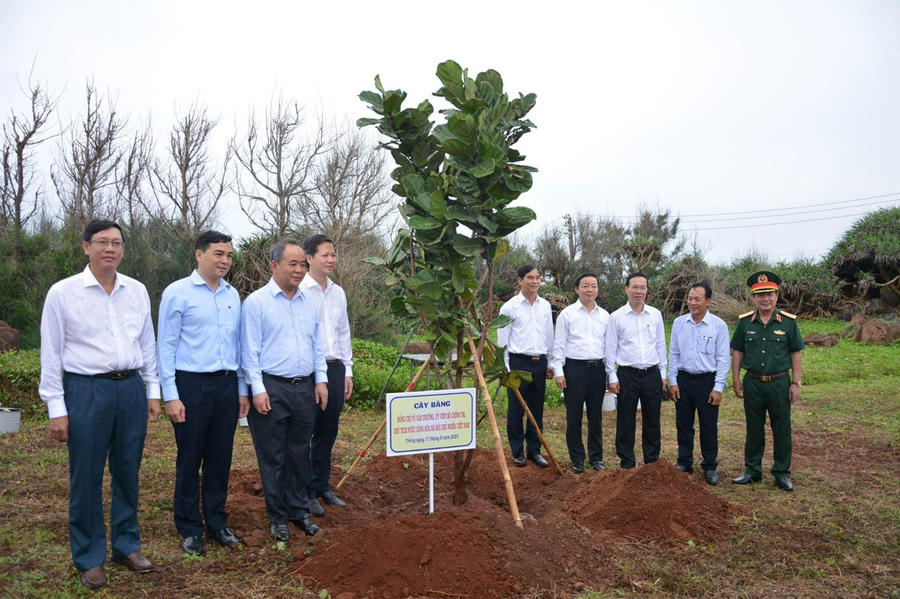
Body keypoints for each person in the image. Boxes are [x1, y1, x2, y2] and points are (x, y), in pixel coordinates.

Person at [39, 219, 160, 589]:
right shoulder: (63, 293)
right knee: (87, 476)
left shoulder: (136, 291)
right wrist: (56, 408)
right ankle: (90, 556)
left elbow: (147, 344)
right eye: (102, 242)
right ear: (85, 247)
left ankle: (126, 545)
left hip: (129, 390)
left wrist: (152, 390)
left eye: (117, 243)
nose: (111, 248)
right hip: (86, 391)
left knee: (127, 471)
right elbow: (52, 352)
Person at [157, 230, 250, 555]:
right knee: (190, 456)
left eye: (228, 255)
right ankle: (189, 526)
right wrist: (171, 394)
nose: (225, 260)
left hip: (226, 385)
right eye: (218, 254)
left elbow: (238, 346)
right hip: (190, 385)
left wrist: (241, 390)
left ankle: (216, 521)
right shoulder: (178, 293)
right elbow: (165, 347)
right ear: (199, 255)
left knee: (220, 456)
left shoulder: (232, 295)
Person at [241, 239, 328, 542]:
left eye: (303, 264)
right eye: (292, 264)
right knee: (273, 456)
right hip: (271, 388)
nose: (299, 269)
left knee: (298, 453)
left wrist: (321, 379)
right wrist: (258, 389)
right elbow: (249, 352)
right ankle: (277, 516)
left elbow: (317, 345)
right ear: (274, 265)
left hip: (303, 389)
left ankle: (298, 510)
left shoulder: (307, 302)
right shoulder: (256, 303)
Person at [730, 271, 804, 491]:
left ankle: (782, 472)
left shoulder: (788, 323)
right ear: (753, 298)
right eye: (760, 294)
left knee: (781, 428)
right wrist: (735, 379)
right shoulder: (745, 323)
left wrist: (796, 383)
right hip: (752, 383)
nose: (765, 299)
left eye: (769, 294)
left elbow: (796, 353)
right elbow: (738, 352)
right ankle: (752, 470)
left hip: (779, 383)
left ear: (776, 295)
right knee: (754, 428)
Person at [300, 234, 353, 514]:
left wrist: (347, 370)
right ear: (309, 258)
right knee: (305, 429)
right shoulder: (299, 291)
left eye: (333, 255)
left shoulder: (338, 292)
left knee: (328, 430)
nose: (331, 259)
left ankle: (321, 485)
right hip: (307, 371)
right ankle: (303, 490)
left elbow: (343, 333)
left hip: (335, 367)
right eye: (325, 255)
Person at [667, 282, 730, 485]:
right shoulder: (679, 323)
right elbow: (674, 353)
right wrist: (673, 381)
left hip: (707, 381)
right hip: (684, 380)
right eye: (690, 299)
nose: (692, 303)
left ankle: (710, 466)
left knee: (708, 425)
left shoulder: (718, 326)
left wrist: (718, 387)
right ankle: (684, 462)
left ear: (708, 302)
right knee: (683, 424)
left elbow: (723, 359)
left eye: (697, 299)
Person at [605, 272, 668, 469]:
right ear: (626, 289)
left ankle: (652, 460)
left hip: (651, 373)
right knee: (625, 419)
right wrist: (612, 376)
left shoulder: (655, 314)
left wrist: (663, 374)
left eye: (643, 287)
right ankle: (627, 460)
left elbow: (660, 345)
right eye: (635, 287)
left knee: (652, 418)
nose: (639, 291)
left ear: (647, 290)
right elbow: (610, 348)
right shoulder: (616, 317)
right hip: (627, 374)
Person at [551, 273, 610, 473]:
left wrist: (611, 374)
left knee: (596, 416)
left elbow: (609, 347)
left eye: (594, 286)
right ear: (576, 289)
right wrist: (559, 372)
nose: (590, 289)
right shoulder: (567, 314)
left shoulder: (605, 316)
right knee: (574, 415)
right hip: (574, 369)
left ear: (598, 290)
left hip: (597, 370)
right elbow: (558, 346)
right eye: (586, 285)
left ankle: (596, 457)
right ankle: (577, 458)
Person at [496, 264, 554, 468]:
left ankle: (534, 450)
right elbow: (503, 339)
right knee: (516, 409)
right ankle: (517, 451)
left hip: (540, 362)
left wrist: (550, 361)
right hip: (517, 363)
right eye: (530, 277)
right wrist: (505, 367)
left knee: (536, 409)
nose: (535, 281)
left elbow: (549, 335)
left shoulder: (545, 306)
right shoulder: (509, 307)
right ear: (520, 280)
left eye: (538, 278)